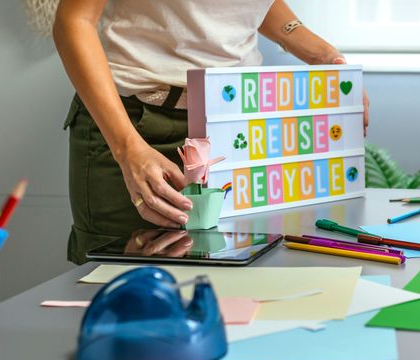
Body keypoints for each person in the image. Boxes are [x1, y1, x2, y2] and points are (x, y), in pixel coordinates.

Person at [53, 0, 368, 263]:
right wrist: (127, 149)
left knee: (233, 289)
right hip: (134, 126)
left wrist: (324, 56)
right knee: (123, 293)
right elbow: (74, 21)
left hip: (236, 123)